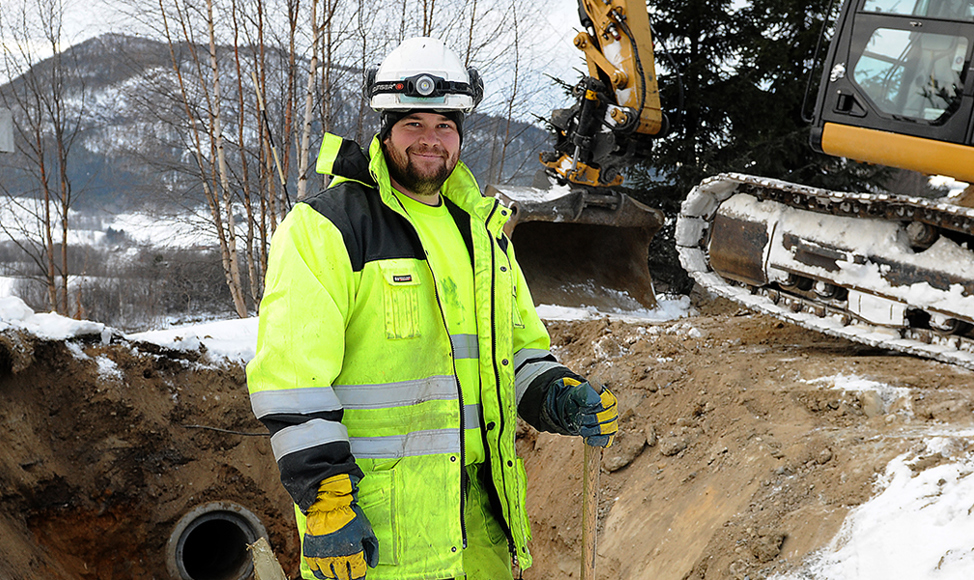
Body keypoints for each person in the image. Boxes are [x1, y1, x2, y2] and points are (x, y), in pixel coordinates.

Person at [246, 36, 618, 580]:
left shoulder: (484, 235)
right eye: (413, 124)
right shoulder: (326, 227)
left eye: (444, 125)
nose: (431, 139)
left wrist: (554, 396)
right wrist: (327, 508)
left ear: (461, 135)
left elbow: (512, 354)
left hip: (480, 532)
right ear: (386, 129)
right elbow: (291, 380)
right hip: (379, 534)